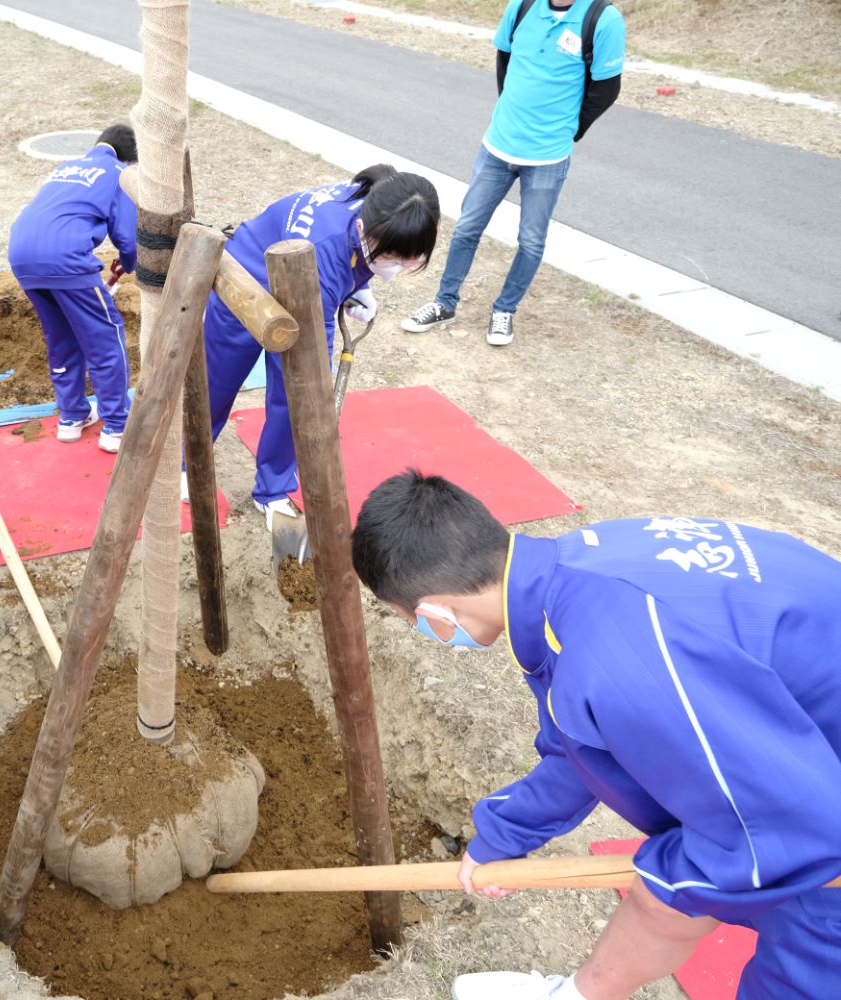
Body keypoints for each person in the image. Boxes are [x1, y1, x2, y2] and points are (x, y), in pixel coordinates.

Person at [350, 470, 841, 1000]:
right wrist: (504, 835)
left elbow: (783, 837)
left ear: (435, 613)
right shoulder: (570, 573)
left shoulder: (617, 659)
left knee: (787, 954)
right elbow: (580, 743)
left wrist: (664, 891)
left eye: (407, 620)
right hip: (805, 743)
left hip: (819, 825)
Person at [203, 166, 438, 524]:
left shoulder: (384, 200)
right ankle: (185, 464)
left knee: (290, 401)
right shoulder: (326, 256)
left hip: (304, 275)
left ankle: (273, 487)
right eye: (393, 257)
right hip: (249, 277)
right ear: (362, 230)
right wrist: (318, 387)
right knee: (222, 383)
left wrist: (358, 286)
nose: (402, 267)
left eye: (412, 258)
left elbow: (359, 258)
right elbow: (312, 360)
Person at [402, 0, 625, 347]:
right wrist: (512, 113)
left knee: (531, 241)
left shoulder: (603, 20)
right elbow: (504, 61)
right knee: (467, 228)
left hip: (548, 157)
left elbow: (607, 89)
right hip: (497, 147)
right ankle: (445, 302)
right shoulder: (522, 6)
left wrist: (571, 129)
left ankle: (505, 310)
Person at [7, 124, 137, 454]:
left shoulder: (66, 168)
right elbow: (128, 236)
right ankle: (117, 425)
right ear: (131, 159)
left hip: (22, 255)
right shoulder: (119, 173)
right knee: (106, 337)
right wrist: (131, 262)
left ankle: (73, 415)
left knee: (61, 336)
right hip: (66, 261)